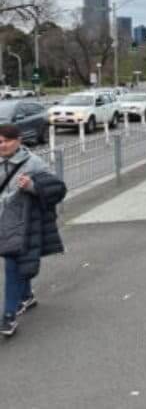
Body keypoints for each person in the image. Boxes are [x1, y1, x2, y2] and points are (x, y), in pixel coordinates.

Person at [0, 125, 67, 337]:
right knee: (21, 262)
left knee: (13, 263)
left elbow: (57, 188)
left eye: (6, 140)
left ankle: (8, 316)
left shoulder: (34, 163)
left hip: (23, 224)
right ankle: (26, 296)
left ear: (18, 140)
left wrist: (32, 186)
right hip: (2, 221)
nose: (2, 145)